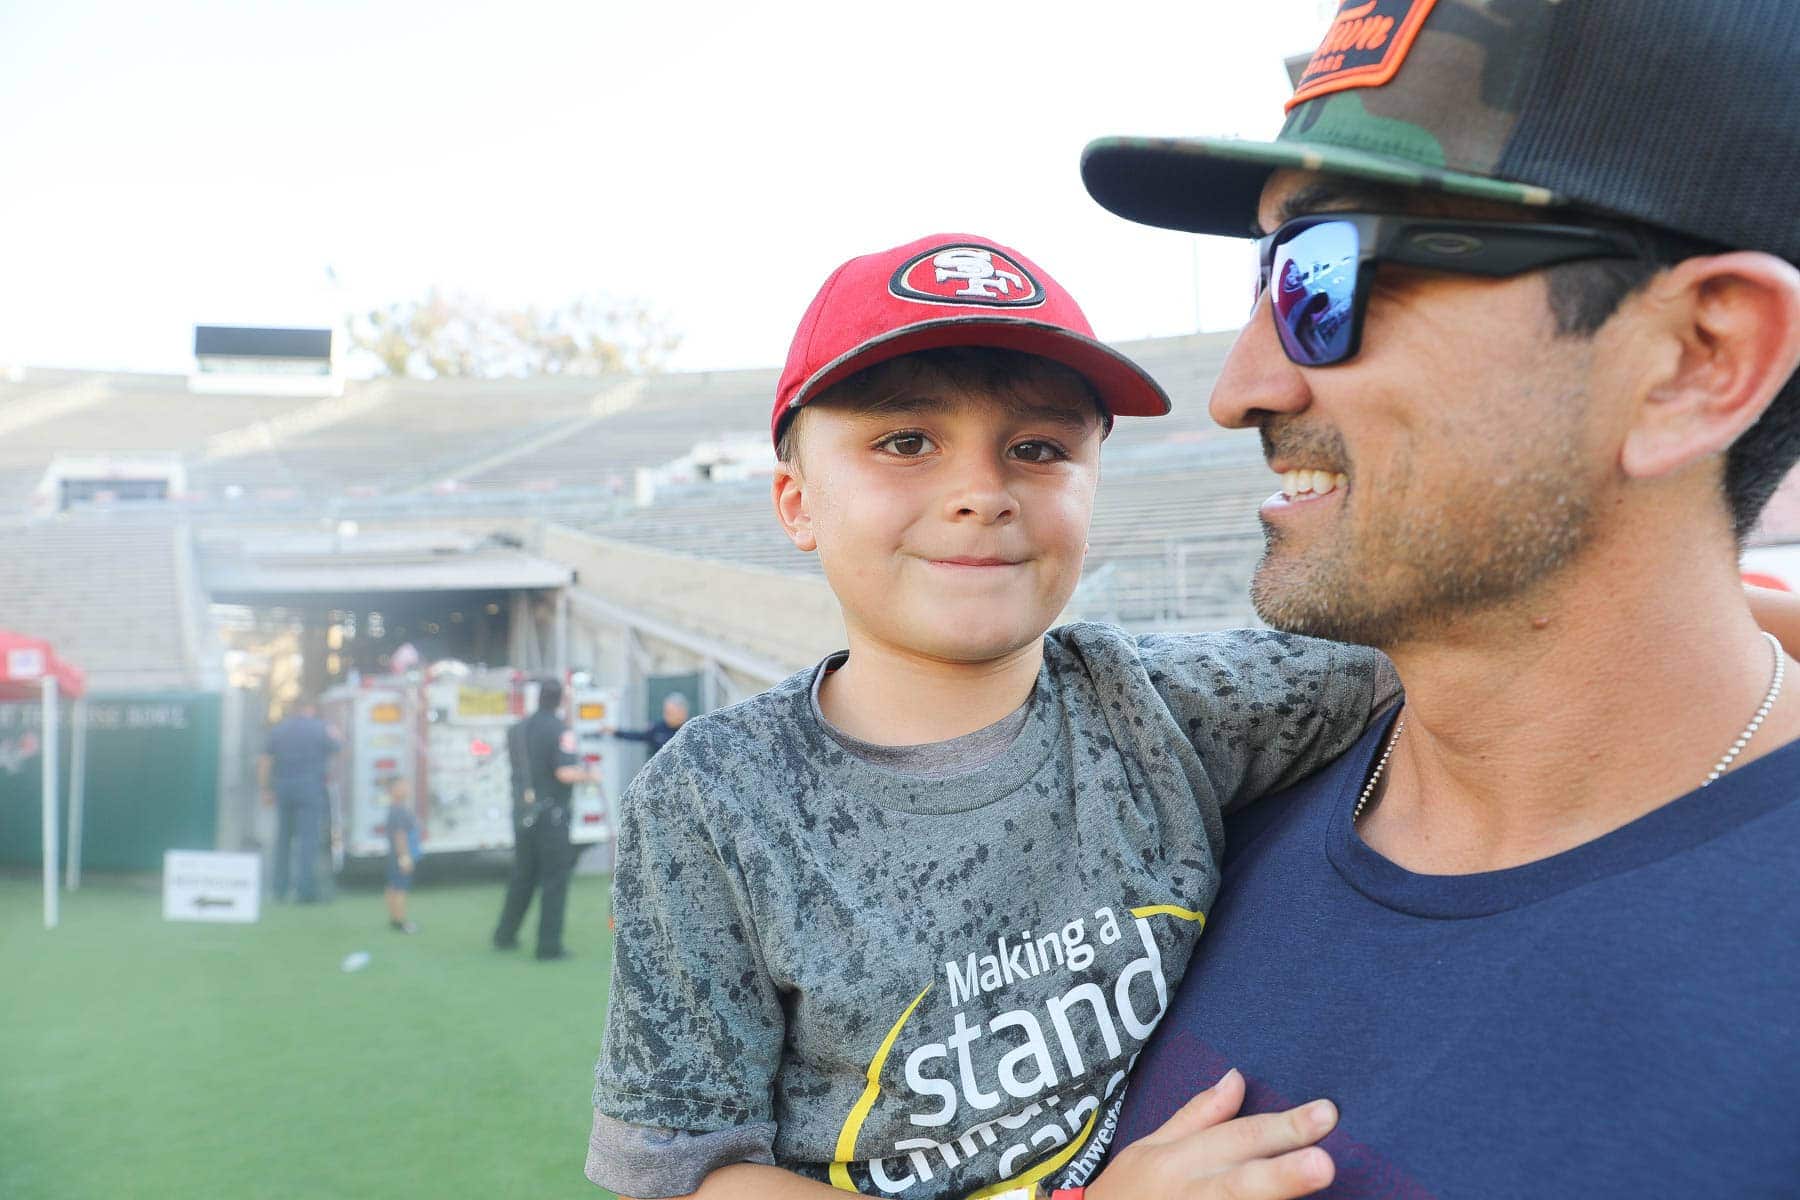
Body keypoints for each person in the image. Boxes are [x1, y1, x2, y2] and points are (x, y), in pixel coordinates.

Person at [1079, 1, 1800, 1194]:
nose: (1239, 387)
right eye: (1266, 271)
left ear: (1695, 358)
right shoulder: (1207, 796)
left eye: (1324, 270)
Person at [586, 233, 1406, 1200]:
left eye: (1039, 448)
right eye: (906, 442)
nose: (982, 492)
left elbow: (1445, 647)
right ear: (797, 502)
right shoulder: (713, 798)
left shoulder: (1168, 706)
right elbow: (690, 1173)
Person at [493, 678, 596, 960]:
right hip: (552, 816)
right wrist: (590, 775)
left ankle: (505, 933)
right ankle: (548, 946)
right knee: (554, 880)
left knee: (522, 875)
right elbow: (564, 773)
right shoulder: (562, 731)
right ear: (560, 700)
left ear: (538, 698)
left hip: (523, 813)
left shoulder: (517, 730)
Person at [259, 694, 340, 904]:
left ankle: (279, 888)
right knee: (308, 841)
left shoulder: (278, 731)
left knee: (283, 839)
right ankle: (305, 890)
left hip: (284, 789)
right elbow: (338, 748)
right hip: (310, 789)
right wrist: (335, 735)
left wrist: (266, 789)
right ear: (309, 708)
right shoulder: (320, 728)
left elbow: (265, 761)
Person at [382, 775, 420, 934]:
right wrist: (405, 858)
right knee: (400, 889)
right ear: (393, 790)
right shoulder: (399, 811)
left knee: (392, 886)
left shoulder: (394, 809)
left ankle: (393, 919)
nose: (407, 788)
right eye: (403, 785)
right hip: (400, 855)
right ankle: (401, 922)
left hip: (393, 855)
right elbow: (400, 836)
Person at [604, 692, 689, 761]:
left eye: (670, 713)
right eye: (665, 712)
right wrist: (616, 732)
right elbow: (639, 736)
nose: (666, 716)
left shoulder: (690, 732)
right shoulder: (658, 728)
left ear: (682, 713)